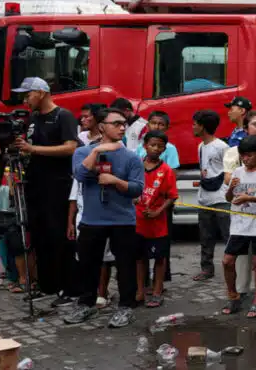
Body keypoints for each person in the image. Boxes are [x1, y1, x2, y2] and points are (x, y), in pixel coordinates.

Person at [65, 108, 144, 327]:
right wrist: (97, 151)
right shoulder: (83, 152)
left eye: (123, 124)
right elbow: (79, 176)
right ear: (102, 127)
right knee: (88, 265)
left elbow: (137, 189)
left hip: (123, 221)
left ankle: (126, 307)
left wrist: (116, 181)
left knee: (125, 266)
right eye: (116, 123)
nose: (121, 127)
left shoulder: (132, 157)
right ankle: (86, 304)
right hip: (92, 220)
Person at [11, 77, 79, 303]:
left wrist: (34, 149)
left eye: (27, 94)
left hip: (57, 185)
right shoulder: (33, 118)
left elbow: (71, 147)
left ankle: (68, 288)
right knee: (39, 236)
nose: (25, 99)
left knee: (59, 235)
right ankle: (47, 285)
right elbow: (30, 150)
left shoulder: (63, 116)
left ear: (41, 92)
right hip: (34, 183)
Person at [223, 110, 256, 298]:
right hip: (239, 224)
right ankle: (235, 292)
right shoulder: (237, 169)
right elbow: (229, 196)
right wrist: (232, 189)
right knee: (229, 260)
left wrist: (250, 198)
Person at [135, 131, 178, 308]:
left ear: (164, 149)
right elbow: (128, 187)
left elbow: (172, 196)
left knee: (159, 258)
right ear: (145, 145)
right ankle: (139, 290)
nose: (156, 148)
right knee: (139, 257)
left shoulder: (166, 170)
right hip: (137, 221)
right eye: (152, 144)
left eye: (160, 146)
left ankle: (157, 290)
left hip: (158, 223)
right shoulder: (136, 166)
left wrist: (158, 211)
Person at [192, 110, 231, 282]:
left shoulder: (222, 147)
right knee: (205, 237)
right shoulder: (201, 146)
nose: (192, 127)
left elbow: (229, 170)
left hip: (221, 198)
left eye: (195, 124)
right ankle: (206, 268)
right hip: (205, 197)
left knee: (228, 235)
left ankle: (233, 267)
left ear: (202, 126)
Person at [67, 177, 115, 309]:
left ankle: (102, 293)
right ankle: (88, 293)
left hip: (103, 219)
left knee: (104, 259)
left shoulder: (106, 171)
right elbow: (73, 200)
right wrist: (70, 223)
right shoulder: (80, 173)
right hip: (82, 220)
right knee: (84, 259)